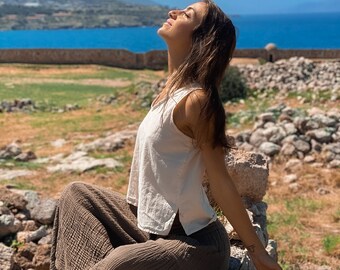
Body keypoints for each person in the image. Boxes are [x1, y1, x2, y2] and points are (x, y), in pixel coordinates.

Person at [50, 1, 282, 269]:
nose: (173, 12)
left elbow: (221, 181)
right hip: (148, 225)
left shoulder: (198, 100)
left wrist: (257, 252)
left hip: (194, 242)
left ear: (201, 38)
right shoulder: (167, 94)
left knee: (114, 264)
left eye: (187, 14)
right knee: (76, 195)